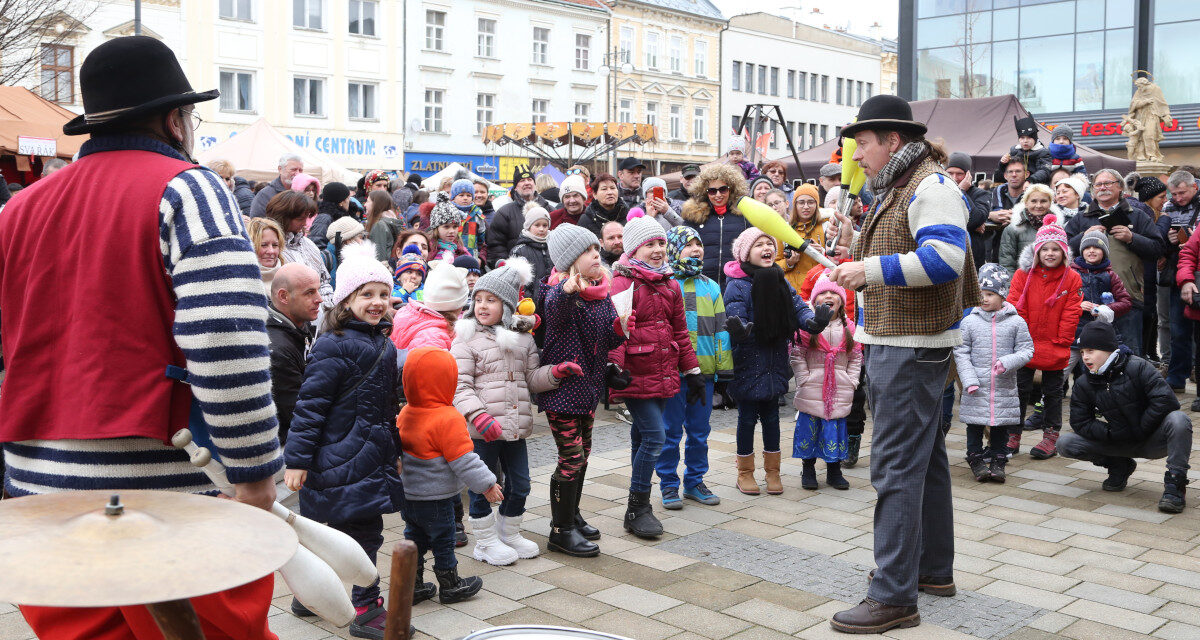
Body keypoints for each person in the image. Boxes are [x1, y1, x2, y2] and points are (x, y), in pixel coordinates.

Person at [2, 35, 281, 639]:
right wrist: (255, 469)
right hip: (164, 502)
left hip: (39, 500)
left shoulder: (17, 210)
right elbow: (226, 339)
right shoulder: (190, 189)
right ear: (173, 120)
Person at [827, 95, 978, 634]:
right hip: (906, 341)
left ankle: (893, 596)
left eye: (861, 143)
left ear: (892, 140)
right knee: (926, 460)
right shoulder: (906, 183)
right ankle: (933, 572)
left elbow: (944, 261)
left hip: (911, 346)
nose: (856, 154)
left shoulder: (931, 186)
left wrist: (869, 269)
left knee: (894, 468)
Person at [283, 244, 404, 636]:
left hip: (369, 456)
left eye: (383, 294)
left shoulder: (384, 344)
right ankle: (365, 607)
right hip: (338, 458)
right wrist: (297, 460)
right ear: (348, 299)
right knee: (362, 532)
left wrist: (395, 452)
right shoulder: (333, 344)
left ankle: (310, 596)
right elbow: (310, 406)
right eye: (366, 294)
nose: (377, 302)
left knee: (340, 531)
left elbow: (388, 407)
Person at [453, 259, 568, 566]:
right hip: (483, 429)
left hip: (514, 428)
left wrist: (554, 373)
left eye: (490, 300)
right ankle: (485, 542)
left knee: (521, 483)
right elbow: (459, 385)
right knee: (483, 485)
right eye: (478, 299)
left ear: (506, 306)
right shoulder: (466, 338)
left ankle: (509, 531)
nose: (482, 305)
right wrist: (477, 415)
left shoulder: (523, 339)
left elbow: (530, 379)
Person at [610, 217, 703, 538]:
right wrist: (614, 367)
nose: (657, 250)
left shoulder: (671, 283)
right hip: (634, 374)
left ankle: (636, 506)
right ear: (635, 248)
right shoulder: (622, 282)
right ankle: (638, 508)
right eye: (650, 244)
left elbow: (680, 331)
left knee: (642, 437)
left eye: (661, 243)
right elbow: (618, 330)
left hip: (663, 372)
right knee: (655, 437)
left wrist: (693, 371)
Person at [538, 223, 628, 557]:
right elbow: (555, 314)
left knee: (584, 455)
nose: (597, 255)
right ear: (571, 260)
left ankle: (571, 515)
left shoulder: (600, 292)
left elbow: (605, 337)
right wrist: (567, 291)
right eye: (589, 251)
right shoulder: (558, 293)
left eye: (596, 250)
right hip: (563, 391)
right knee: (571, 457)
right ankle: (559, 531)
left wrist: (620, 329)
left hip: (588, 390)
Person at [725, 227, 828, 496]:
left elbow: (798, 307)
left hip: (775, 361)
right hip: (748, 360)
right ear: (746, 253)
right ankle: (745, 473)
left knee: (772, 418)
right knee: (747, 419)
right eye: (758, 245)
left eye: (769, 243)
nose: (766, 248)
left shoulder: (780, 280)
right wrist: (739, 329)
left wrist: (812, 321)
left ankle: (773, 472)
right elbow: (734, 314)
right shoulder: (737, 284)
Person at [398, 347, 504, 603]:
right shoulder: (448, 418)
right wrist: (487, 484)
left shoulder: (405, 413)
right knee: (444, 539)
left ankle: (411, 587)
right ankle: (450, 585)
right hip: (437, 497)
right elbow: (464, 459)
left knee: (414, 539)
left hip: (408, 497)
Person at [1058, 321, 1191, 513]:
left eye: (1091, 350)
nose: (1085, 357)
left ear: (1108, 349)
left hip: (1151, 439)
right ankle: (1119, 464)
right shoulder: (1083, 382)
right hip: (1118, 440)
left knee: (1179, 420)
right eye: (1082, 352)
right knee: (1065, 443)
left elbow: (1166, 401)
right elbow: (1080, 422)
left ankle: (1175, 485)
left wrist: (1141, 427)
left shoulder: (1138, 367)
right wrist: (1111, 433)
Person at [657, 226, 731, 509]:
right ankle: (668, 484)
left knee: (700, 431)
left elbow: (721, 331)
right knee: (670, 431)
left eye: (699, 244)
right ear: (675, 249)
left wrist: (723, 371)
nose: (696, 249)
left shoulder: (711, 287)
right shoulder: (666, 284)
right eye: (688, 244)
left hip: (705, 374)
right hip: (673, 374)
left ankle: (694, 480)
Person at [1064, 168, 1165, 357]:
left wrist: (1132, 238)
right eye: (1098, 185)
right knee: (1089, 355)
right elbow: (1062, 250)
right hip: (1087, 302)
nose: (1102, 188)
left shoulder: (1137, 215)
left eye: (1107, 183)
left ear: (1120, 187)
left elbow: (1158, 248)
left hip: (1128, 297)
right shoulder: (1081, 217)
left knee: (1129, 354)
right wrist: (1082, 237)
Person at [1006, 215, 1083, 460]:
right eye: (1045, 249)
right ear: (1036, 251)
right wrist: (1021, 338)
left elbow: (1072, 311)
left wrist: (1062, 340)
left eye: (1056, 249)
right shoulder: (1022, 275)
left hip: (1055, 343)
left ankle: (1051, 435)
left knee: (1053, 392)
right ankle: (1012, 433)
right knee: (1019, 389)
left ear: (1063, 252)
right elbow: (1015, 305)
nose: (1050, 254)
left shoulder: (1072, 278)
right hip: (1025, 343)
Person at [954, 264, 1033, 482]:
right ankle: (975, 457)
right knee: (974, 424)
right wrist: (969, 379)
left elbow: (1027, 350)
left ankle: (999, 459)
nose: (985, 298)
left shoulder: (1016, 322)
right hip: (976, 386)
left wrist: (1007, 362)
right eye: (981, 294)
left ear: (1002, 295)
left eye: (990, 294)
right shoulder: (969, 322)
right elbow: (961, 351)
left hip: (1003, 385)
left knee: (1000, 424)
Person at [790, 271, 862, 490]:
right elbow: (797, 353)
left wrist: (852, 380)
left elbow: (856, 356)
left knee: (835, 429)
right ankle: (808, 468)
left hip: (839, 388)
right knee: (810, 429)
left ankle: (834, 470)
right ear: (814, 300)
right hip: (812, 387)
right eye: (824, 293)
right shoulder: (807, 326)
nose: (829, 296)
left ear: (841, 301)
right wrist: (803, 378)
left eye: (834, 292)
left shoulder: (849, 328)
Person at [268, 263, 322, 444]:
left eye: (318, 290)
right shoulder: (277, 351)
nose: (319, 299)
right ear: (283, 296)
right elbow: (298, 416)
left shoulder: (299, 324)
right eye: (309, 293)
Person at [1068, 230, 1131, 375]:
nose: (1091, 251)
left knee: (1095, 372)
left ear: (1104, 251)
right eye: (1087, 248)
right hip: (1072, 332)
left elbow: (1126, 302)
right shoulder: (1071, 273)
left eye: (1097, 247)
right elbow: (1059, 299)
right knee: (1061, 372)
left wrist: (1105, 308)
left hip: (1099, 335)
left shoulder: (1110, 275)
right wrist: (1077, 305)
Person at [682, 163, 752, 286]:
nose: (718, 195)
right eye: (712, 191)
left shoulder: (745, 216)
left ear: (731, 189)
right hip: (702, 284)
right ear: (705, 192)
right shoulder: (695, 215)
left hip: (736, 284)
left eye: (723, 189)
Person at [1163, 170, 1200, 392]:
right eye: (1174, 193)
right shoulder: (1168, 206)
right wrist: (1168, 239)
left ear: (1194, 186)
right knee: (1178, 329)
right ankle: (1177, 378)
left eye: (1182, 193)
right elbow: (1161, 235)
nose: (1178, 198)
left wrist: (1191, 237)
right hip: (1180, 270)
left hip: (1196, 267)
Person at [264, 191, 334, 304]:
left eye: (306, 218)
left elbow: (324, 281)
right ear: (284, 218)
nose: (305, 223)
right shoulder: (271, 249)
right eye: (300, 219)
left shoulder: (308, 244)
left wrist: (328, 308)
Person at [488, 165, 550, 267]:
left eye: (530, 179)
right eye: (522, 180)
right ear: (515, 187)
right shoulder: (504, 213)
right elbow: (496, 246)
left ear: (534, 184)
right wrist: (506, 267)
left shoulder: (549, 210)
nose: (526, 183)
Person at [946, 152, 993, 268]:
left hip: (972, 257)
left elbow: (975, 220)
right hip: (947, 254)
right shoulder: (938, 191)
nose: (954, 178)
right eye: (950, 173)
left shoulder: (981, 194)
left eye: (959, 174)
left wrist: (961, 191)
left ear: (968, 175)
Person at [778, 183, 825, 292]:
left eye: (811, 202)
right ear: (795, 205)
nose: (806, 207)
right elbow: (773, 264)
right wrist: (788, 263)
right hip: (792, 290)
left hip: (819, 288)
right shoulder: (784, 229)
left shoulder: (825, 226)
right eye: (801, 202)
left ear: (817, 204)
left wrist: (822, 253)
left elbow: (838, 259)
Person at [998, 184, 1055, 272]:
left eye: (1043, 201)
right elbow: (1007, 263)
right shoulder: (1013, 229)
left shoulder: (1058, 228)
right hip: (1023, 281)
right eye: (1034, 201)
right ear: (1026, 203)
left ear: (1050, 203)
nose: (1038, 205)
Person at [510, 204, 554, 301]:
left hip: (551, 301)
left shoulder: (553, 247)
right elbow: (517, 282)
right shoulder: (520, 250)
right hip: (529, 304)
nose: (541, 229)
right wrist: (528, 299)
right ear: (528, 226)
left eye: (545, 225)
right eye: (537, 225)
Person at [995, 115, 1051, 185]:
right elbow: (1004, 171)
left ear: (1035, 138)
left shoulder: (1044, 153)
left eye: (1029, 138)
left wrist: (1030, 180)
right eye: (1022, 138)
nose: (1025, 141)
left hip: (1035, 186)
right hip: (1015, 185)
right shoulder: (1014, 151)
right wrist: (1003, 163)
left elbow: (1045, 171)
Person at [251, 153, 304, 217]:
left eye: (300, 170)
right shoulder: (265, 195)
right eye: (293, 169)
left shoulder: (305, 193)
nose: (297, 173)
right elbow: (257, 221)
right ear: (280, 169)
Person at [578, 173, 630, 238]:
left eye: (612, 188)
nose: (610, 192)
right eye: (604, 189)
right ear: (595, 194)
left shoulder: (628, 215)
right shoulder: (586, 220)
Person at [322, 217, 367, 289]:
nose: (363, 242)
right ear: (348, 240)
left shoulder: (358, 259)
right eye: (361, 238)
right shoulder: (325, 259)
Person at [451, 178, 487, 263]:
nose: (465, 198)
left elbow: (482, 240)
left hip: (472, 257)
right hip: (451, 256)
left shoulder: (477, 215)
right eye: (461, 195)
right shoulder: (448, 212)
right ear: (453, 197)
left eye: (468, 195)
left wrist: (480, 257)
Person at [248, 216, 287, 292]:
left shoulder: (289, 277)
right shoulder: (240, 281)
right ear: (250, 246)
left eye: (275, 245)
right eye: (264, 245)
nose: (271, 251)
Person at [366, 191, 405, 263]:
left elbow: (379, 257)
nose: (365, 205)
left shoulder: (379, 225)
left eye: (368, 201)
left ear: (376, 204)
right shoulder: (390, 221)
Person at [311, 182, 352, 249]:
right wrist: (331, 256)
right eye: (348, 198)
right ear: (341, 202)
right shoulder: (324, 218)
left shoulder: (337, 216)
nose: (349, 201)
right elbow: (316, 244)